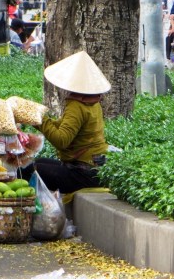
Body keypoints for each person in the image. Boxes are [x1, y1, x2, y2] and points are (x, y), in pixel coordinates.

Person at [21, 51, 118, 194]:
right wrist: (36, 117)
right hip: (95, 169)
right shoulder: (93, 102)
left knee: (29, 170)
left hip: (83, 173)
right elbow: (63, 126)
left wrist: (39, 120)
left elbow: (62, 140)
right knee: (39, 162)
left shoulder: (77, 105)